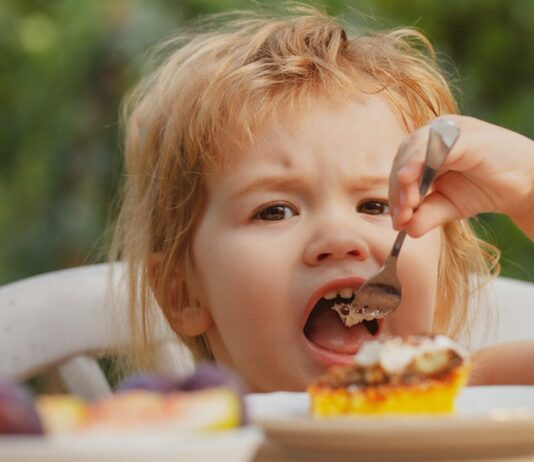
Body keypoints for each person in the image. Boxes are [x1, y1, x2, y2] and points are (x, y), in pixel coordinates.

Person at [110, 6, 534, 391]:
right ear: (183, 293)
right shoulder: (185, 438)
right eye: (275, 211)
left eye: (376, 205)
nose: (337, 237)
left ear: (442, 278)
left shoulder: (473, 393)